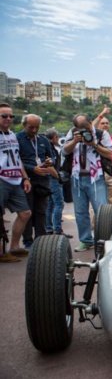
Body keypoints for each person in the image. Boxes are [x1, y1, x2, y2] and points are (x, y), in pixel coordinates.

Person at [63, 113, 112, 252]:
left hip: (96, 177)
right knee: (80, 212)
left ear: (91, 122)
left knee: (101, 210)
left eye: (86, 127)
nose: (85, 131)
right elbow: (64, 151)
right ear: (76, 128)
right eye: (81, 128)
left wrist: (94, 144)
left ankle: (103, 240)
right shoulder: (72, 133)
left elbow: (110, 154)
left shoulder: (101, 134)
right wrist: (74, 141)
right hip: (77, 177)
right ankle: (85, 240)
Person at [17, 114, 57, 250]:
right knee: (27, 211)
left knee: (41, 211)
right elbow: (16, 161)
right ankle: (27, 241)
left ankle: (40, 239)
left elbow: (52, 156)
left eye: (37, 127)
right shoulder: (17, 139)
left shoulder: (43, 140)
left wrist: (50, 161)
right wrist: (32, 169)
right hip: (25, 180)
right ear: (24, 125)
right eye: (31, 127)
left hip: (43, 180)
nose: (34, 130)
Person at [0, 103, 32, 261]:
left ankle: (14, 246)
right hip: (1, 179)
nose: (8, 119)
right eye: (4, 116)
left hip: (15, 179)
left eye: (11, 116)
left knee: (25, 213)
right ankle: (1, 253)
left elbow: (17, 158)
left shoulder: (12, 135)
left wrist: (25, 177)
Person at [44, 128, 72, 239]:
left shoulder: (49, 147)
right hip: (53, 179)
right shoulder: (50, 149)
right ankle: (57, 229)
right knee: (59, 203)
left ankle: (49, 228)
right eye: (57, 137)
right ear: (54, 137)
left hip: (50, 178)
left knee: (50, 204)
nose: (58, 139)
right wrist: (58, 177)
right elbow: (49, 166)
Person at [93, 107, 112, 205]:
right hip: (98, 171)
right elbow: (91, 126)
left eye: (107, 123)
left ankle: (109, 219)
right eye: (102, 123)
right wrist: (102, 114)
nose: (105, 125)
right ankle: (96, 220)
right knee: (98, 201)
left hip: (111, 172)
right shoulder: (93, 137)